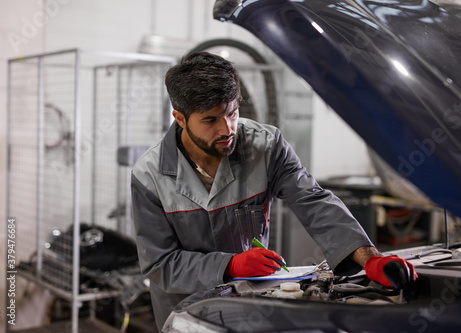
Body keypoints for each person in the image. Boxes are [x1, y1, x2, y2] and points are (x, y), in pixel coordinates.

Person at [131, 51, 417, 331]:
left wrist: (369, 257)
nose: (227, 129)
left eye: (232, 113)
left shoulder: (266, 146)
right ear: (180, 118)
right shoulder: (149, 176)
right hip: (186, 315)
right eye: (210, 120)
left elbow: (313, 200)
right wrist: (230, 265)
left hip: (250, 304)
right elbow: (161, 264)